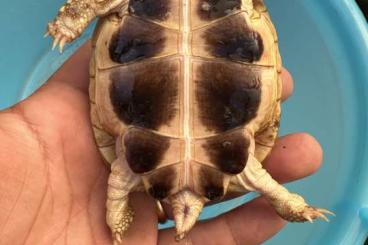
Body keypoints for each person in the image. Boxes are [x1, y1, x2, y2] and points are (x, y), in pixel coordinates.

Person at [0, 42, 323, 245]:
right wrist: (294, 207)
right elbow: (275, 192)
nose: (184, 215)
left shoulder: (131, 164)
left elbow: (116, 190)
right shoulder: (241, 168)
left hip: (143, 32)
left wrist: (118, 217)